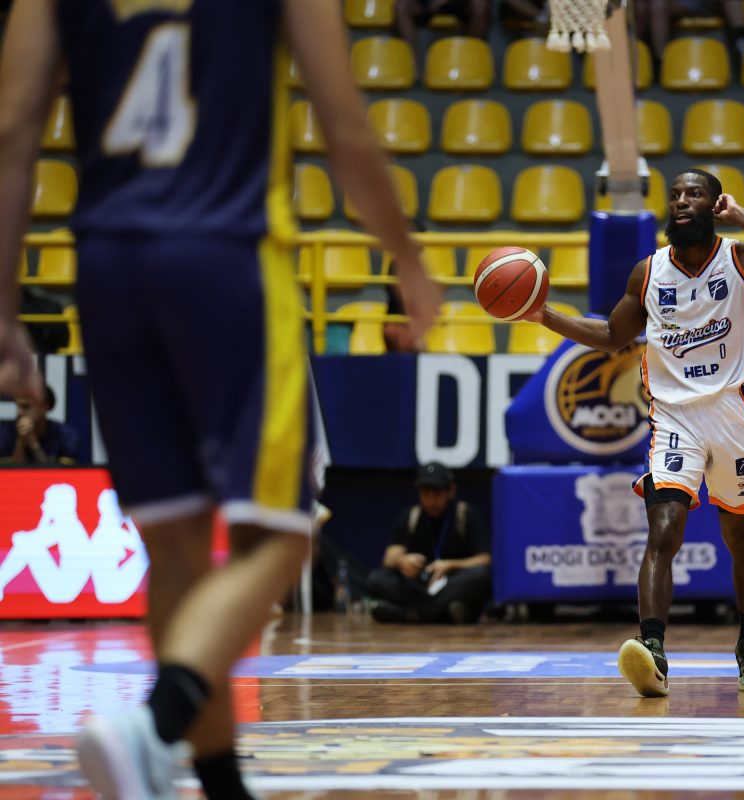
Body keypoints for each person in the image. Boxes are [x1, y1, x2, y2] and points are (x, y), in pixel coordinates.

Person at [0, 2, 440, 798]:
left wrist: (3, 309)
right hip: (228, 256)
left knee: (174, 550)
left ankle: (216, 782)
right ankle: (155, 723)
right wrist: (405, 260)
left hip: (107, 267)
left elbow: (12, 130)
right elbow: (343, 123)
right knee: (282, 534)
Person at [530, 168, 744, 696]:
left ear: (714, 205)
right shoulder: (649, 272)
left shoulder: (742, 259)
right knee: (664, 530)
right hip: (673, 416)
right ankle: (652, 650)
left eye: (694, 194)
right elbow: (611, 334)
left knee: (742, 539)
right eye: (676, 194)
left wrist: (741, 215)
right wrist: (544, 315)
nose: (681, 201)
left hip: (731, 413)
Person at [367, 462, 493, 624]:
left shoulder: (467, 515)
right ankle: (440, 614)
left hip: (452, 582)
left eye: (437, 493)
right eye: (425, 493)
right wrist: (402, 561)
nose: (431, 500)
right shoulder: (411, 516)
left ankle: (408, 614)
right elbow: (389, 557)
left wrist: (451, 565)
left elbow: (485, 559)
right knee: (376, 579)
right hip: (419, 584)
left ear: (451, 491)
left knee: (480, 577)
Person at [0, 383, 79, 464]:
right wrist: (20, 442)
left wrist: (33, 443)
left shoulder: (66, 437)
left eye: (26, 407)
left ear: (45, 407)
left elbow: (59, 472)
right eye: (18, 406)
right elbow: (11, 471)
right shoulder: (5, 434)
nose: (19, 413)